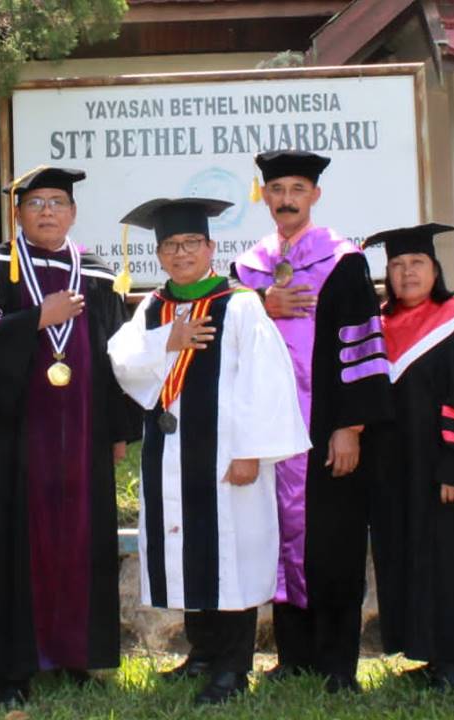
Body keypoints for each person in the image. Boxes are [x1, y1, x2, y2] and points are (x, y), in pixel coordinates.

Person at [0, 166, 140, 706]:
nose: (48, 211)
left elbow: (117, 354)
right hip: (14, 437)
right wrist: (36, 318)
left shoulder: (96, 274)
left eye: (58, 202)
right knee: (15, 542)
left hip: (83, 436)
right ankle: (12, 667)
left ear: (73, 213)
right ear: (18, 213)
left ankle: (75, 653)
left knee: (81, 539)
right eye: (36, 203)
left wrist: (118, 430)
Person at [108, 198, 310, 704]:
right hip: (170, 454)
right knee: (187, 551)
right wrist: (167, 340)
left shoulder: (238, 304)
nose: (181, 253)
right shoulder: (154, 306)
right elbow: (122, 360)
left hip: (227, 457)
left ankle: (233, 668)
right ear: (160, 254)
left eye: (191, 243)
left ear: (210, 247)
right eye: (171, 246)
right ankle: (201, 654)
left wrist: (251, 453)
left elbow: (266, 382)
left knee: (230, 557)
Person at [232, 150, 393, 692]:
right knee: (279, 540)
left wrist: (351, 426)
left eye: (297, 189)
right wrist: (262, 302)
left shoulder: (343, 262)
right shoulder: (248, 270)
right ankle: (293, 656)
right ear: (265, 197)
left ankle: (338, 664)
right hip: (270, 435)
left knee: (334, 544)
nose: (286, 200)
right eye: (277, 190)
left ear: (315, 196)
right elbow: (229, 335)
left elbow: (363, 346)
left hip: (325, 430)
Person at [363, 223, 454, 691]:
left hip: (443, 468)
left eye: (416, 263)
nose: (406, 273)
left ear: (435, 270)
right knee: (405, 554)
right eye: (397, 265)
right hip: (392, 470)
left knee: (448, 558)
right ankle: (426, 653)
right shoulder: (378, 326)